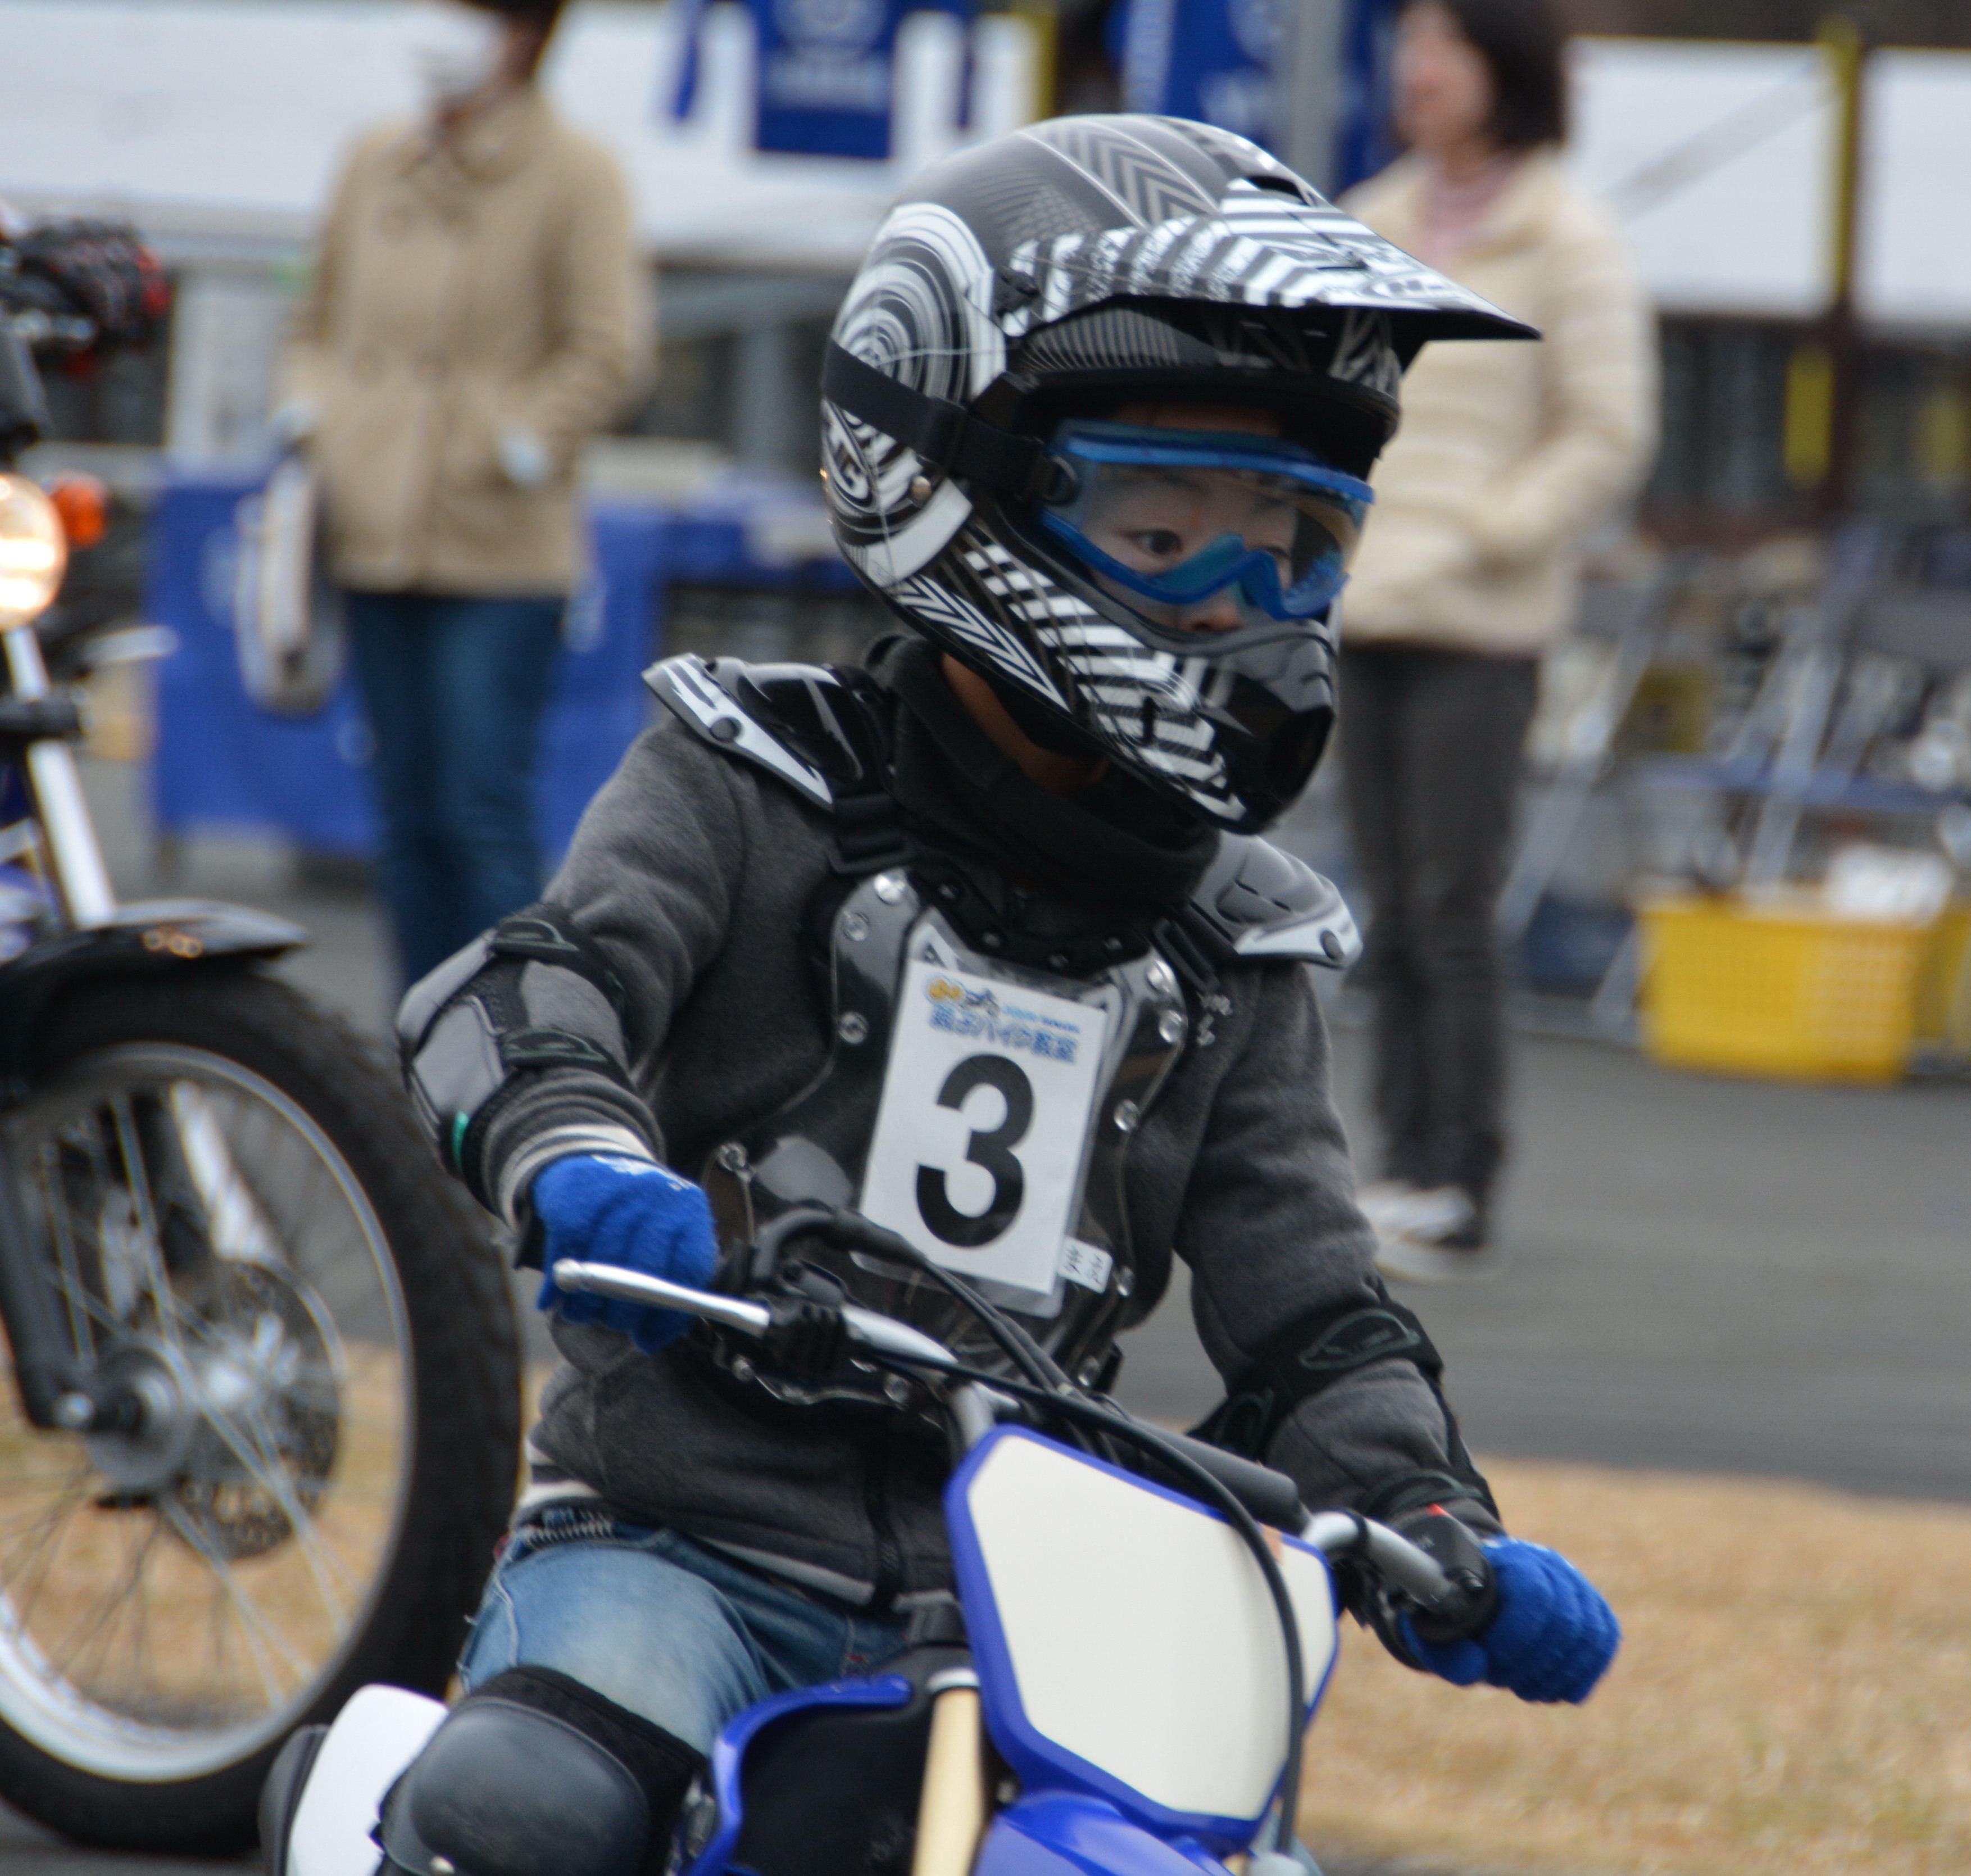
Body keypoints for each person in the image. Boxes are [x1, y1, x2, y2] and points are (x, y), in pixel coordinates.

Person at [317, 119, 1619, 1876]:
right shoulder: (751, 777)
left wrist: (1431, 1517)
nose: (1246, 607)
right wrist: (579, 1156)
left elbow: (1309, 1299)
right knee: (525, 1816)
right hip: (681, 1544)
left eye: (1294, 546)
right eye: (1166, 528)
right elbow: (531, 994)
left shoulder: (1235, 937)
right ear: (951, 474)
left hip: (1041, 1593)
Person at [1336, 0, 1655, 1281]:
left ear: (1507, 69)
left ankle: (1458, 1179)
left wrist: (1483, 530)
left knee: (1452, 906)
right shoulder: (1373, 214)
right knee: (1387, 906)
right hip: (1361, 608)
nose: (1418, 70)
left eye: (1446, 47)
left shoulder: (1569, 237)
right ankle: (1397, 1161)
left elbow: (1608, 432)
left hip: (1481, 622)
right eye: (1410, 45)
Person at [276, 0, 653, 983]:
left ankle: (512, 1047)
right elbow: (311, 320)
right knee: (402, 820)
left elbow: (610, 350)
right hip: (370, 533)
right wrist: (315, 417)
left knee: (478, 811)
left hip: (500, 549)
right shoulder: (372, 159)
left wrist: (518, 444)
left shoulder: (578, 173)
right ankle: (420, 1043)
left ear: (525, 35)